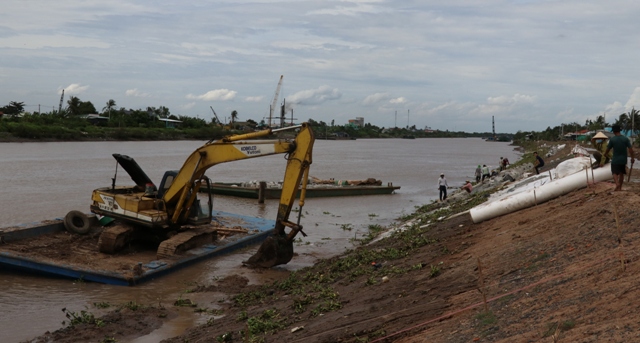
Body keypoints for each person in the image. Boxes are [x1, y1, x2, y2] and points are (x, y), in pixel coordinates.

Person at [601, 125, 634, 191]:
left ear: (613, 131)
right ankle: (620, 188)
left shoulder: (612, 139)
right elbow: (631, 149)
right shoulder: (625, 139)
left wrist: (605, 154)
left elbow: (608, 149)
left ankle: (617, 184)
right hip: (623, 159)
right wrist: (632, 158)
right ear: (619, 131)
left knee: (614, 172)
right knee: (621, 173)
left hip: (615, 159)